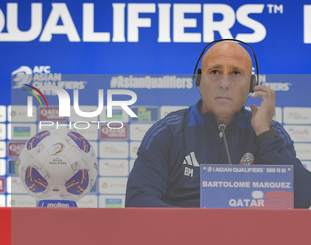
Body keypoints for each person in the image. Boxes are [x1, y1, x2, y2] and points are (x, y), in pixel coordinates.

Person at [125, 40, 311, 208]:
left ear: (252, 84)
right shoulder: (168, 132)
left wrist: (264, 132)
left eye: (236, 73)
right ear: (198, 80)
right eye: (215, 72)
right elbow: (138, 199)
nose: (224, 83)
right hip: (184, 241)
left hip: (252, 242)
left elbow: (302, 200)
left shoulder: (270, 132)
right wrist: (200, 226)